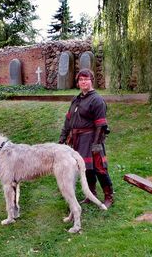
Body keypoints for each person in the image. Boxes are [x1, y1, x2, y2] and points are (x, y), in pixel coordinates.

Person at [59, 68, 114, 208]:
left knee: (100, 169)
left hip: (92, 139)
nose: (83, 82)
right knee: (86, 168)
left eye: (86, 79)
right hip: (78, 140)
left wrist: (96, 144)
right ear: (78, 82)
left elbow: (100, 125)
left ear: (91, 81)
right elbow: (68, 120)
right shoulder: (76, 99)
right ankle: (92, 194)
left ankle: (109, 196)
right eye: (81, 79)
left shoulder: (97, 100)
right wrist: (62, 138)